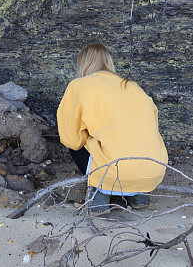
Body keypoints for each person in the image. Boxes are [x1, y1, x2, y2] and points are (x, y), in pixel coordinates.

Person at [57, 43, 168, 213]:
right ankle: (137, 195)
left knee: (77, 140)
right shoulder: (133, 86)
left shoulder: (79, 85)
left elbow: (71, 139)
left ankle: (99, 194)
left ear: (83, 63)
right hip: (154, 170)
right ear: (109, 62)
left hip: (114, 172)